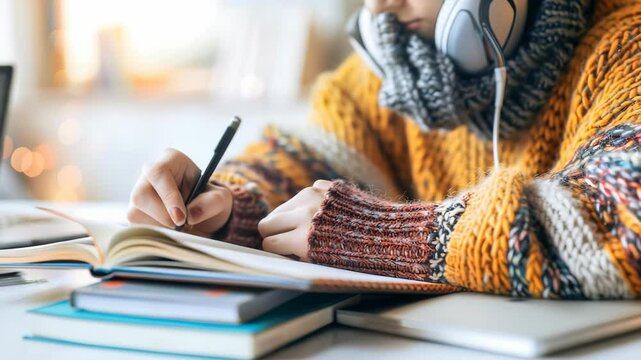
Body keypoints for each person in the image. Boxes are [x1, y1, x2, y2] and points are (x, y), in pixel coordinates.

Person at [127, 0, 641, 299]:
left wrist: (388, 237)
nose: (379, 9)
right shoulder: (405, 71)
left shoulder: (628, 43)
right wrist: (227, 207)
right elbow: (304, 161)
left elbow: (625, 218)